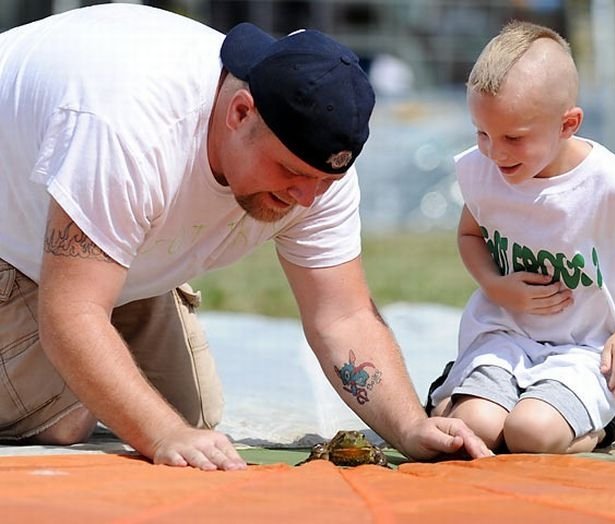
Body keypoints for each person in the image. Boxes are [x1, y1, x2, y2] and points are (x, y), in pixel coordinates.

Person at [0, 3, 492, 471]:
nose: (305, 198)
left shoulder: (314, 171)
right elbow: (72, 314)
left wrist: (409, 426)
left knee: (191, 419)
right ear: (240, 113)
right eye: (289, 172)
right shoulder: (126, 127)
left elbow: (341, 315)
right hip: (13, 234)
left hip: (112, 226)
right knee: (65, 417)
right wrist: (161, 435)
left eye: (324, 182)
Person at [427, 21, 615, 454]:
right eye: (482, 133)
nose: (495, 151)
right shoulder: (482, 170)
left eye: (513, 137)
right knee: (476, 428)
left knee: (531, 435)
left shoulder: (612, 185)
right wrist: (495, 285)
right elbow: (470, 234)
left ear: (568, 124)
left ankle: (608, 419)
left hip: (588, 349)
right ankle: (463, 388)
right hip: (505, 337)